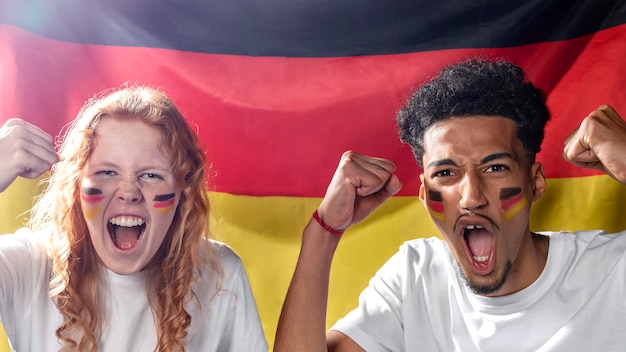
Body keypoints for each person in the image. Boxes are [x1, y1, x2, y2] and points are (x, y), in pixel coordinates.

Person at [274, 58, 626, 351]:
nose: (472, 196)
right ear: (425, 195)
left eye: (495, 167)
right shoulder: (414, 279)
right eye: (446, 172)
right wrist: (323, 231)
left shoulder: (612, 271)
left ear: (534, 181)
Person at [0, 86, 268, 351]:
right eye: (106, 172)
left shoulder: (220, 274)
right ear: (76, 186)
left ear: (181, 192)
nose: (128, 193)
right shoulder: (26, 266)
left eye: (151, 175)